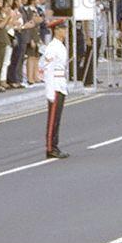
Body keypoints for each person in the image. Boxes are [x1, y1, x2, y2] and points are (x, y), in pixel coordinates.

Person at [40, 18, 70, 159]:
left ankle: (54, 145)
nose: (65, 31)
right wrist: (50, 90)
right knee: (53, 118)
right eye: (63, 28)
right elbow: (47, 68)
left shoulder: (60, 45)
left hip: (60, 82)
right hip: (55, 84)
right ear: (56, 30)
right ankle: (51, 147)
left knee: (57, 117)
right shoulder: (53, 47)